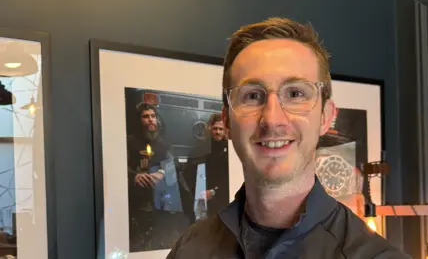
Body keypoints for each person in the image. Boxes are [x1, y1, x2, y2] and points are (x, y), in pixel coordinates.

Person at [167, 17, 412, 258]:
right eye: (252, 96)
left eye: (295, 93)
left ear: (326, 117)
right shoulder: (190, 249)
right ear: (228, 121)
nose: (272, 120)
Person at [126, 102, 189, 251]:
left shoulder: (164, 143)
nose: (150, 120)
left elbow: (174, 162)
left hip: (161, 203)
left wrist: (162, 172)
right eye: (145, 117)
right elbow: (119, 165)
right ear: (139, 120)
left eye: (153, 116)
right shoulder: (129, 141)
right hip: (137, 203)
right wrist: (135, 177)